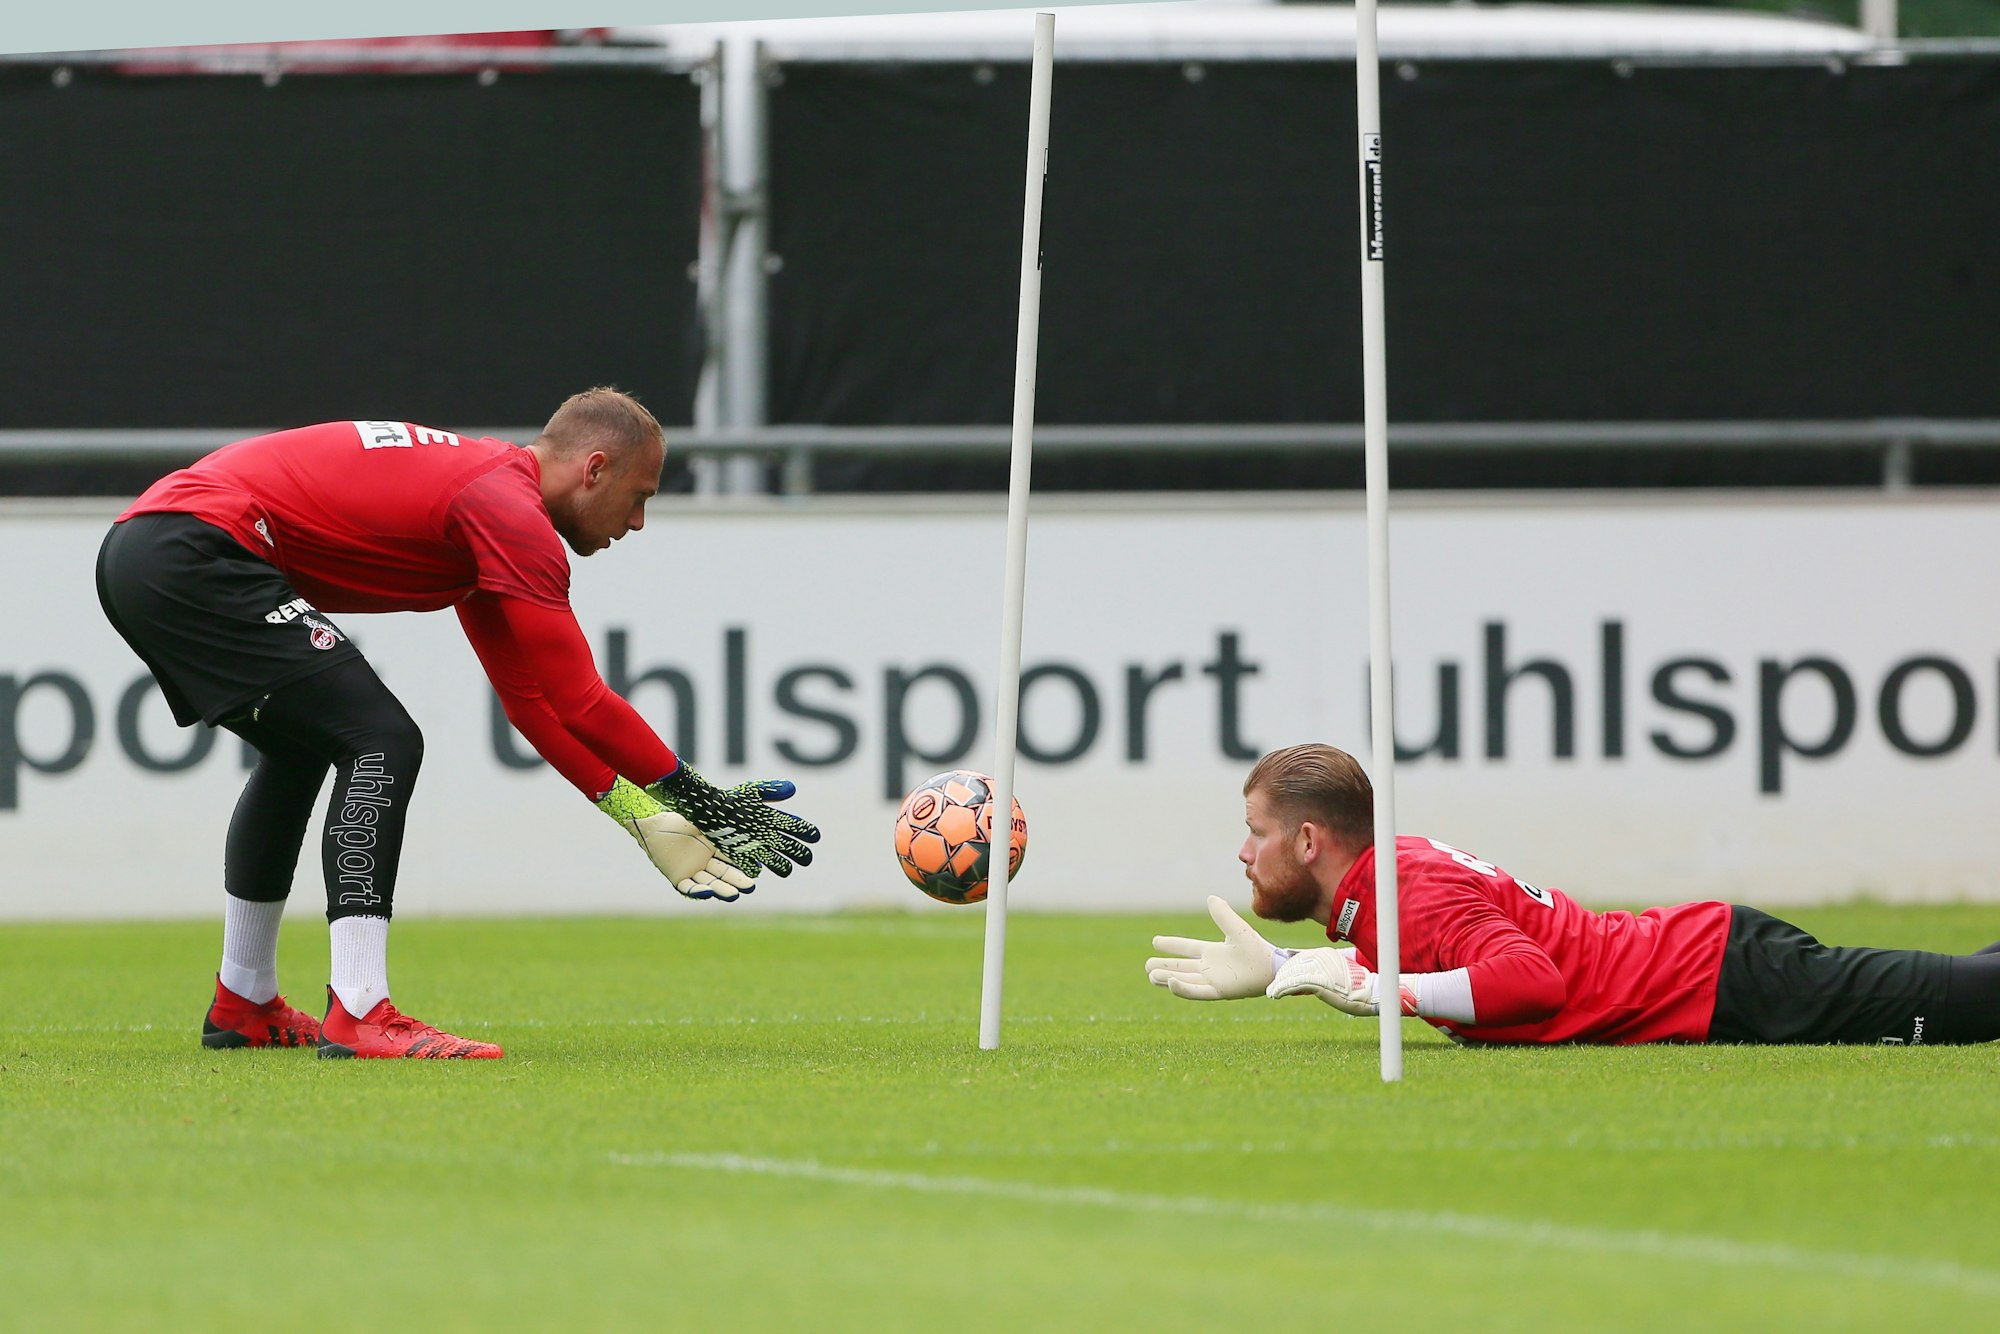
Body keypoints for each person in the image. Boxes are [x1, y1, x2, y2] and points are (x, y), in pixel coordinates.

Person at [96, 389, 818, 1060]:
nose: (636, 524)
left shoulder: (487, 504)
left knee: (301, 747)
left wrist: (636, 811)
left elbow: (532, 703)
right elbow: (583, 700)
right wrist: (697, 800)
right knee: (380, 738)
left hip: (153, 548)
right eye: (639, 498)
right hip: (194, 549)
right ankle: (360, 1009)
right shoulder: (507, 510)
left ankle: (244, 1001)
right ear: (595, 469)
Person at [1146, 742, 2000, 1045]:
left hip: (1720, 977)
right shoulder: (1374, 895)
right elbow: (1415, 965)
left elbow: (1534, 983)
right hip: (1707, 976)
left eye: (1256, 832)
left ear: (1307, 841)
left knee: (1982, 999)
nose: (1242, 852)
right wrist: (1288, 965)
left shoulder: (1403, 892)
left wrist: (1378, 991)